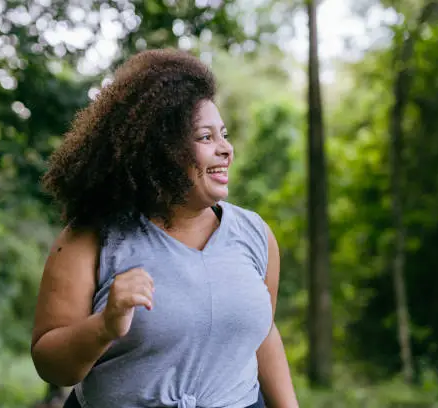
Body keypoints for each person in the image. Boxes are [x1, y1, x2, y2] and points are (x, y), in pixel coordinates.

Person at [31, 48, 298, 408]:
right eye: (206, 138)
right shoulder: (91, 238)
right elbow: (51, 365)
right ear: (161, 151)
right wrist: (105, 326)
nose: (226, 149)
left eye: (224, 134)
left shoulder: (255, 234)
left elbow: (261, 333)